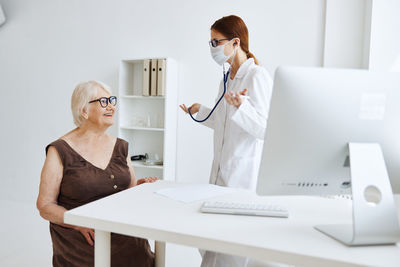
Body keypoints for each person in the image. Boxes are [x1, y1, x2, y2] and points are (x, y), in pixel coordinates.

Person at [180, 15, 273, 267]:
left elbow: (265, 129)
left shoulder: (257, 76)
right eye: (210, 43)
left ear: (235, 42)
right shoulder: (226, 78)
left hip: (241, 179)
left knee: (230, 254)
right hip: (218, 177)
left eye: (216, 42)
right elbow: (223, 122)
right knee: (211, 246)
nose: (212, 49)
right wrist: (200, 111)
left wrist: (241, 107)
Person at [36, 80, 157, 267]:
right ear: (84, 110)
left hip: (122, 231)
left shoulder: (121, 146)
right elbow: (45, 205)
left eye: (112, 101)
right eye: (103, 102)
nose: (111, 107)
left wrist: (138, 188)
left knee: (141, 255)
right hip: (84, 238)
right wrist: (77, 222)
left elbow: (129, 188)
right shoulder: (59, 150)